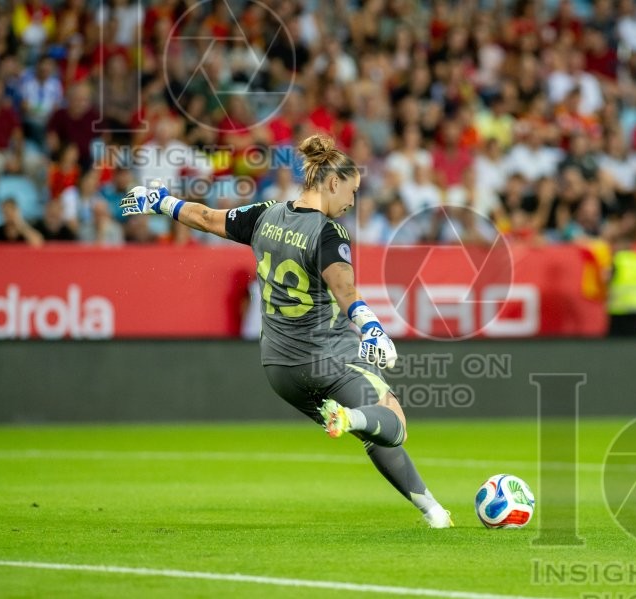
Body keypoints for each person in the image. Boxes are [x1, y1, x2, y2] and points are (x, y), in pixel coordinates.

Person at [120, 134, 453, 528]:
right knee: (391, 425)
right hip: (328, 358)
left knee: (369, 423)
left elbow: (207, 219)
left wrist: (160, 202)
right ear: (333, 183)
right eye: (352, 189)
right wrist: (372, 327)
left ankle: (433, 511)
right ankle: (351, 420)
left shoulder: (266, 214)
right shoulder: (329, 233)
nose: (353, 200)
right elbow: (344, 288)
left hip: (279, 369)